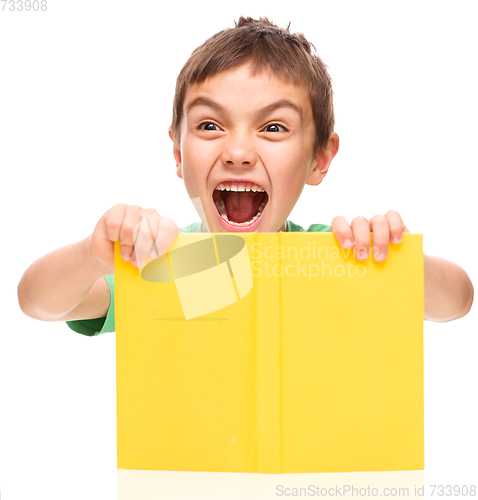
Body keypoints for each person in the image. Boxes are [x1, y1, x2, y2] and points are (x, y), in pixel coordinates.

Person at [17, 16, 473, 335]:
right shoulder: (168, 267)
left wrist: (397, 263)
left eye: (273, 127)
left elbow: (457, 302)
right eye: (210, 126)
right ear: (178, 153)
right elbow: (38, 302)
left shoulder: (333, 260)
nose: (237, 152)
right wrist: (94, 256)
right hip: (182, 474)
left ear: (320, 158)